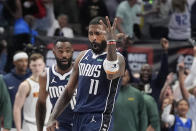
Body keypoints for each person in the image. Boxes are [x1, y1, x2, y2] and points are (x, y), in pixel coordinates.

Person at [46, 16, 125, 131]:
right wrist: (52, 117)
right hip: (78, 116)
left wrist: (111, 43)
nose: (94, 38)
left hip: (99, 117)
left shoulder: (119, 58)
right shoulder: (82, 56)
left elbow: (111, 73)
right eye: (90, 33)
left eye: (98, 33)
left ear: (108, 34)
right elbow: (68, 91)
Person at [36, 40, 75, 131]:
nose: (64, 55)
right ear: (54, 52)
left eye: (68, 51)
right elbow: (41, 104)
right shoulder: (45, 75)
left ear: (72, 52)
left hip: (81, 122)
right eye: (60, 51)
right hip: (60, 125)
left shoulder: (80, 71)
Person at [13, 53, 51, 131]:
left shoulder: (51, 83)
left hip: (47, 125)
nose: (37, 68)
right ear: (30, 66)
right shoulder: (25, 85)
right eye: (34, 65)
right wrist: (18, 129)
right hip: (30, 126)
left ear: (44, 65)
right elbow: (17, 108)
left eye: (39, 65)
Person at [3, 51, 31, 129]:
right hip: (11, 125)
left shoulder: (33, 78)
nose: (24, 63)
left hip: (30, 124)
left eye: (26, 60)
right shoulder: (6, 79)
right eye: (21, 61)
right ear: (14, 62)